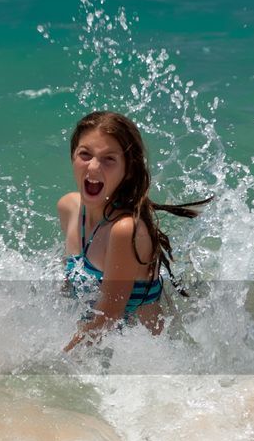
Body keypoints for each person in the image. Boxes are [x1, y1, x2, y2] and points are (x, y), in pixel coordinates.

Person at [57, 110, 211, 351]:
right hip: (101, 351)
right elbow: (69, 288)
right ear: (72, 158)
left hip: (152, 366)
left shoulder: (125, 230)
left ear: (127, 170)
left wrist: (54, 363)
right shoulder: (69, 208)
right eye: (85, 154)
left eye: (109, 159)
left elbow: (107, 318)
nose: (94, 167)